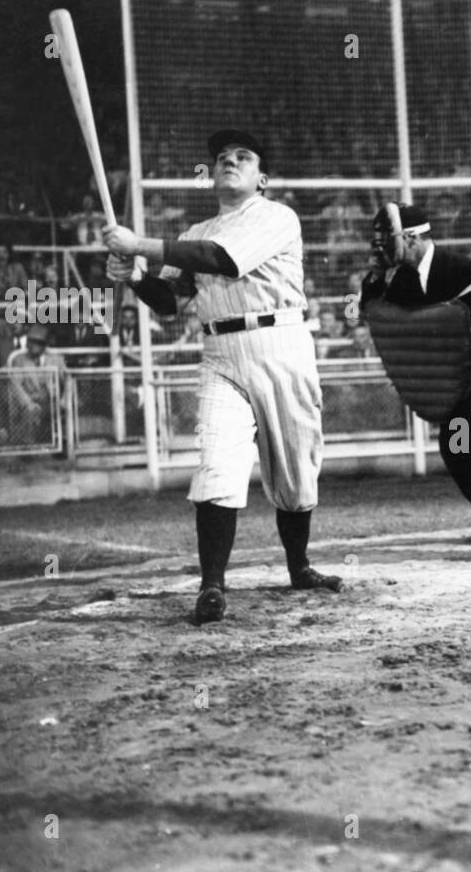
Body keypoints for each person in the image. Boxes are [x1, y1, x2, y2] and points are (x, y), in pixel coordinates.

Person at [103, 128, 342, 625]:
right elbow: (172, 303)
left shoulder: (277, 216)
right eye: (221, 158)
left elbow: (223, 259)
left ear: (262, 178)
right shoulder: (193, 233)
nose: (230, 161)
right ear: (211, 175)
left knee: (297, 472)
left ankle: (299, 567)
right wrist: (136, 277)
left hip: (283, 346)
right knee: (215, 464)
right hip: (220, 354)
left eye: (243, 156)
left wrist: (140, 244)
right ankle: (212, 586)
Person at [360, 203, 471, 542]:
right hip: (460, 372)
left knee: (459, 438)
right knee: (456, 440)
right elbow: (364, 311)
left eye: (387, 240)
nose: (380, 248)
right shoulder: (403, 278)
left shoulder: (462, 269)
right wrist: (374, 278)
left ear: (410, 238)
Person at [8, 322, 67, 446]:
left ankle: (62, 445)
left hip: (52, 401)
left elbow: (68, 382)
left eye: (37, 342)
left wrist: (64, 399)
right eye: (30, 341)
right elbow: (16, 385)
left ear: (44, 345)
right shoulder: (19, 360)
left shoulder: (57, 359)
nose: (32, 345)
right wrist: (28, 403)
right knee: (30, 414)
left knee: (63, 412)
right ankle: (29, 448)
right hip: (31, 401)